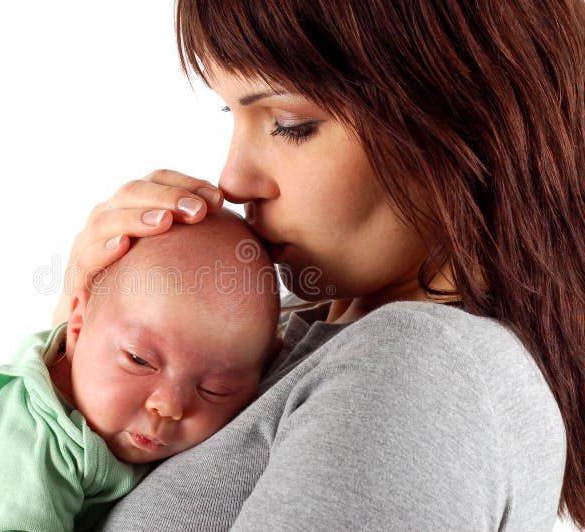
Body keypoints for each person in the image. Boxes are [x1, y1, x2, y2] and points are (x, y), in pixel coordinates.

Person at [54, 0, 585, 530]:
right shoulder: (286, 337)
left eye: (289, 124)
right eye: (230, 113)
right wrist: (73, 342)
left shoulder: (416, 373)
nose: (233, 180)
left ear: (461, 114)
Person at [0, 209, 280, 531]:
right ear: (77, 326)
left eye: (215, 389)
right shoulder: (30, 440)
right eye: (139, 360)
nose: (169, 406)